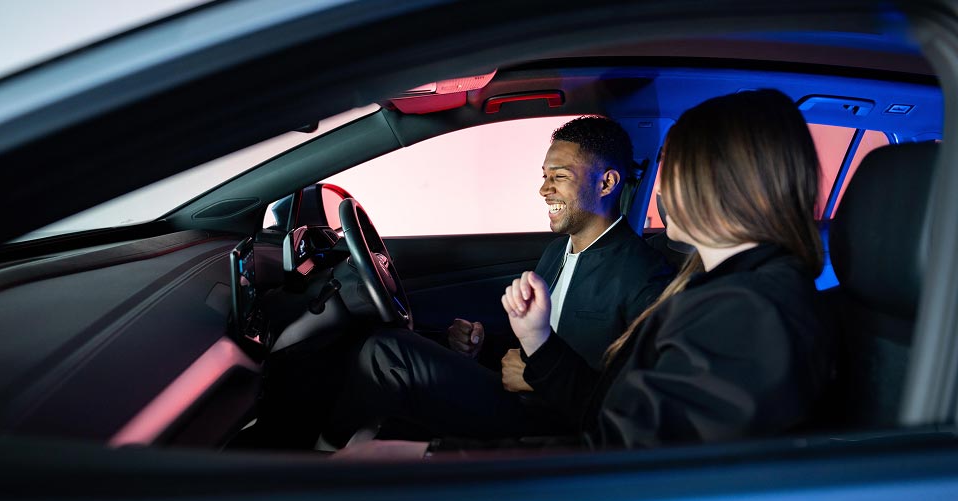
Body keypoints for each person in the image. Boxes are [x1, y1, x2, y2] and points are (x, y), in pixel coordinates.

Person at [501, 89, 834, 449]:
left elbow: (627, 454)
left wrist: (457, 461)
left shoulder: (748, 314)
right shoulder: (722, 289)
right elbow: (611, 413)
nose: (659, 187)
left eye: (671, 169)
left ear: (719, 181)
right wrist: (537, 340)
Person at [322, 116, 674, 446]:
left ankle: (319, 464)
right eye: (544, 176)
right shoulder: (556, 252)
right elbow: (535, 340)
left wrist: (539, 379)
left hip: (556, 431)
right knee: (396, 384)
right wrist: (480, 345)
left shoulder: (645, 277)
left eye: (560, 177)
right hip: (520, 400)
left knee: (386, 355)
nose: (544, 190)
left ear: (607, 183)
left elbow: (632, 407)